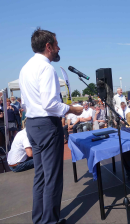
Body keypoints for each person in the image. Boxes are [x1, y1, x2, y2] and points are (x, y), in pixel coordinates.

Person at [19, 28, 83, 224]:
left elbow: (24, 103)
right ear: (48, 46)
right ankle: (49, 222)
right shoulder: (46, 68)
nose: (58, 48)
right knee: (53, 177)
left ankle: (39, 220)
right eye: (56, 44)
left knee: (41, 176)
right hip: (47, 125)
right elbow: (50, 104)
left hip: (32, 124)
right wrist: (72, 109)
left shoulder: (25, 68)